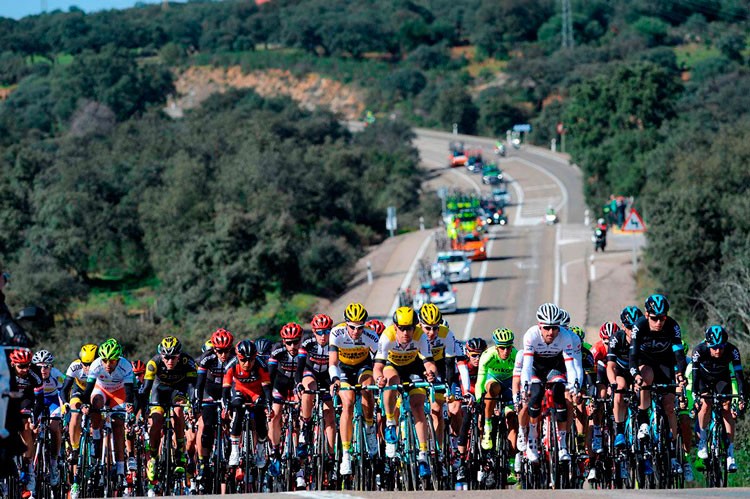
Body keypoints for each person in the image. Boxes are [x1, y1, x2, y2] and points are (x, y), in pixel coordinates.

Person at [374, 306, 437, 478]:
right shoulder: (387, 336)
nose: (406, 332)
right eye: (402, 328)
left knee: (417, 408)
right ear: (395, 327)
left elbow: (429, 363)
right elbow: (378, 366)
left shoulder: (420, 336)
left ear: (415, 327)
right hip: (392, 366)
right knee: (390, 381)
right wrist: (379, 378)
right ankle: (390, 424)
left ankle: (423, 456)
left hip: (413, 367)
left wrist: (431, 373)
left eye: (409, 328)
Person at [629, 294, 688, 475]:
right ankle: (644, 421)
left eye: (662, 317)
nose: (659, 322)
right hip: (645, 364)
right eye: (655, 318)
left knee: (670, 406)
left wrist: (680, 375)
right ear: (647, 315)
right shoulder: (639, 326)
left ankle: (671, 452)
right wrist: (635, 375)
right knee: (646, 375)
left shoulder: (672, 326)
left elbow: (679, 355)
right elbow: (632, 355)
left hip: (665, 365)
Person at [520, 303, 582, 463]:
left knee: (559, 393)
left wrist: (575, 385)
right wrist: (525, 386)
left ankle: (562, 446)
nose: (551, 332)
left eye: (554, 328)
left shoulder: (565, 336)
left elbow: (571, 366)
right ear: (539, 326)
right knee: (536, 393)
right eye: (547, 328)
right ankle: (532, 442)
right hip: (536, 368)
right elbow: (526, 366)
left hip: (554, 367)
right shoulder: (531, 335)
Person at [328, 303, 379, 475]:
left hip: (363, 367)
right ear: (346, 324)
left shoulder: (371, 336)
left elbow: (381, 361)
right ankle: (346, 454)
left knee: (367, 389)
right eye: (352, 327)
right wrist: (334, 379)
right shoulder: (336, 333)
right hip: (343, 369)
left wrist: (379, 377)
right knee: (348, 403)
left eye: (360, 328)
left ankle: (370, 428)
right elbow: (333, 363)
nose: (356, 331)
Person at [142, 336, 197, 491]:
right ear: (161, 355)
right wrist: (144, 407)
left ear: (179, 355)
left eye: (173, 357)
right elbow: (146, 389)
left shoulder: (188, 362)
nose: (170, 360)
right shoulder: (154, 363)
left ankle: (180, 449)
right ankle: (153, 458)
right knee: (156, 421)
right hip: (159, 391)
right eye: (166, 357)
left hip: (178, 390)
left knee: (178, 410)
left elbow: (193, 387)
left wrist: (193, 402)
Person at [80, 339, 135, 484]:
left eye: (112, 361)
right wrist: (85, 403)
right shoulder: (96, 365)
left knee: (118, 426)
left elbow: (129, 391)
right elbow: (88, 389)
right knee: (95, 403)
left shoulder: (125, 366)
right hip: (101, 390)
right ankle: (96, 437)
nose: (108, 365)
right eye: (105, 361)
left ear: (118, 359)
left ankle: (121, 469)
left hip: (119, 392)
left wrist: (129, 404)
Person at [693, 325, 746, 473]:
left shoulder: (732, 350)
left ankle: (730, 453)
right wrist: (696, 394)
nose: (718, 351)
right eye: (715, 347)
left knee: (726, 407)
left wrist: (742, 396)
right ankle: (703, 441)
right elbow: (695, 377)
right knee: (705, 404)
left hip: (721, 379)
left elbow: (739, 376)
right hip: (704, 379)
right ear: (708, 344)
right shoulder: (699, 350)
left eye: (721, 347)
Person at [295, 314, 336, 486]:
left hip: (327, 377)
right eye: (320, 332)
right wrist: (298, 383)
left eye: (326, 331)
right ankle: (305, 425)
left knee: (330, 416)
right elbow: (300, 366)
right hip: (310, 374)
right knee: (308, 386)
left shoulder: (334, 343)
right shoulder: (307, 343)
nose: (323, 336)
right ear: (314, 332)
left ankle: (331, 456)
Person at [418, 303, 458, 470]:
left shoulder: (446, 334)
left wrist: (449, 388)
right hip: (418, 366)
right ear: (419, 324)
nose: (432, 333)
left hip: (440, 368)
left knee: (437, 410)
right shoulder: (413, 333)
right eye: (427, 328)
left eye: (435, 328)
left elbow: (449, 364)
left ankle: (438, 452)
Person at [194, 328, 235, 485]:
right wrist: (197, 400)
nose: (223, 355)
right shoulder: (207, 357)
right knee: (207, 428)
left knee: (233, 420)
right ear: (214, 348)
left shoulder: (234, 357)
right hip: (209, 390)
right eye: (219, 351)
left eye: (226, 350)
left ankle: (233, 453)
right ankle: (204, 463)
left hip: (228, 389)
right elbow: (199, 383)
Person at [223, 340, 272, 471]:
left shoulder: (261, 365)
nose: (247, 364)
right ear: (238, 357)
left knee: (260, 414)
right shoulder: (231, 365)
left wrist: (269, 405)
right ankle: (234, 451)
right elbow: (226, 390)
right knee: (237, 407)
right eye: (243, 360)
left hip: (256, 392)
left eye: (251, 360)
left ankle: (261, 450)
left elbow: (267, 388)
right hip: (239, 391)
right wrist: (226, 406)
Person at [267, 323, 305, 476]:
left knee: (299, 417)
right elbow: (269, 376)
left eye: (296, 341)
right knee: (275, 415)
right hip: (280, 385)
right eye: (289, 342)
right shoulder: (277, 351)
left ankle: (300, 458)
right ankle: (275, 451)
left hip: (296, 386)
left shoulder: (304, 352)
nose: (292, 346)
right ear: (283, 342)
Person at [9, 348, 44, 494]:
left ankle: (29, 467)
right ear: (12, 364)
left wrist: (34, 418)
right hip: (8, 398)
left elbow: (40, 400)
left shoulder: (34, 373)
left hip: (26, 399)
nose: (25, 369)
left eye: (27, 365)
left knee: (26, 424)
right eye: (21, 366)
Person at [31, 349, 65, 486]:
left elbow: (63, 394)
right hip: (37, 402)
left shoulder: (57, 375)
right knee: (33, 430)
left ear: (52, 367)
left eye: (47, 366)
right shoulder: (31, 376)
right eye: (39, 367)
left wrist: (64, 410)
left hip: (53, 402)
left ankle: (53, 463)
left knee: (54, 427)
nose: (43, 370)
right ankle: (31, 463)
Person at [455, 337, 486, 483]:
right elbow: (463, 379)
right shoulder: (463, 362)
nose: (478, 358)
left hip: (480, 390)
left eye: (481, 354)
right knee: (466, 418)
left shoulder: (487, 362)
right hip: (465, 388)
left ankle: (487, 457)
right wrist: (465, 394)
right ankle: (461, 461)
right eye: (474, 355)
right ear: (468, 354)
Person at [61, 344, 98, 468]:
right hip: (79, 391)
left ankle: (95, 443)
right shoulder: (75, 366)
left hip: (95, 391)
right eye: (85, 364)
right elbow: (64, 389)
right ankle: (75, 449)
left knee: (97, 412)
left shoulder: (100, 367)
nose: (87, 367)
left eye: (90, 364)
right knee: (75, 412)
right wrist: (65, 403)